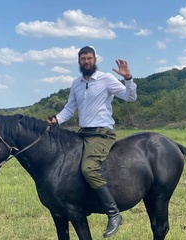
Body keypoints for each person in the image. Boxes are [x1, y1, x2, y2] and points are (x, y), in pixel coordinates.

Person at [48, 46, 137, 238]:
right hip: (83, 133)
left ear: (95, 59)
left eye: (89, 58)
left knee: (88, 168)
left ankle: (113, 213)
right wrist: (56, 119)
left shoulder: (106, 79)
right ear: (79, 61)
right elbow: (69, 108)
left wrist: (128, 78)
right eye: (82, 59)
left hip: (102, 133)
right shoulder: (76, 83)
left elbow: (131, 97)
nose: (86, 62)